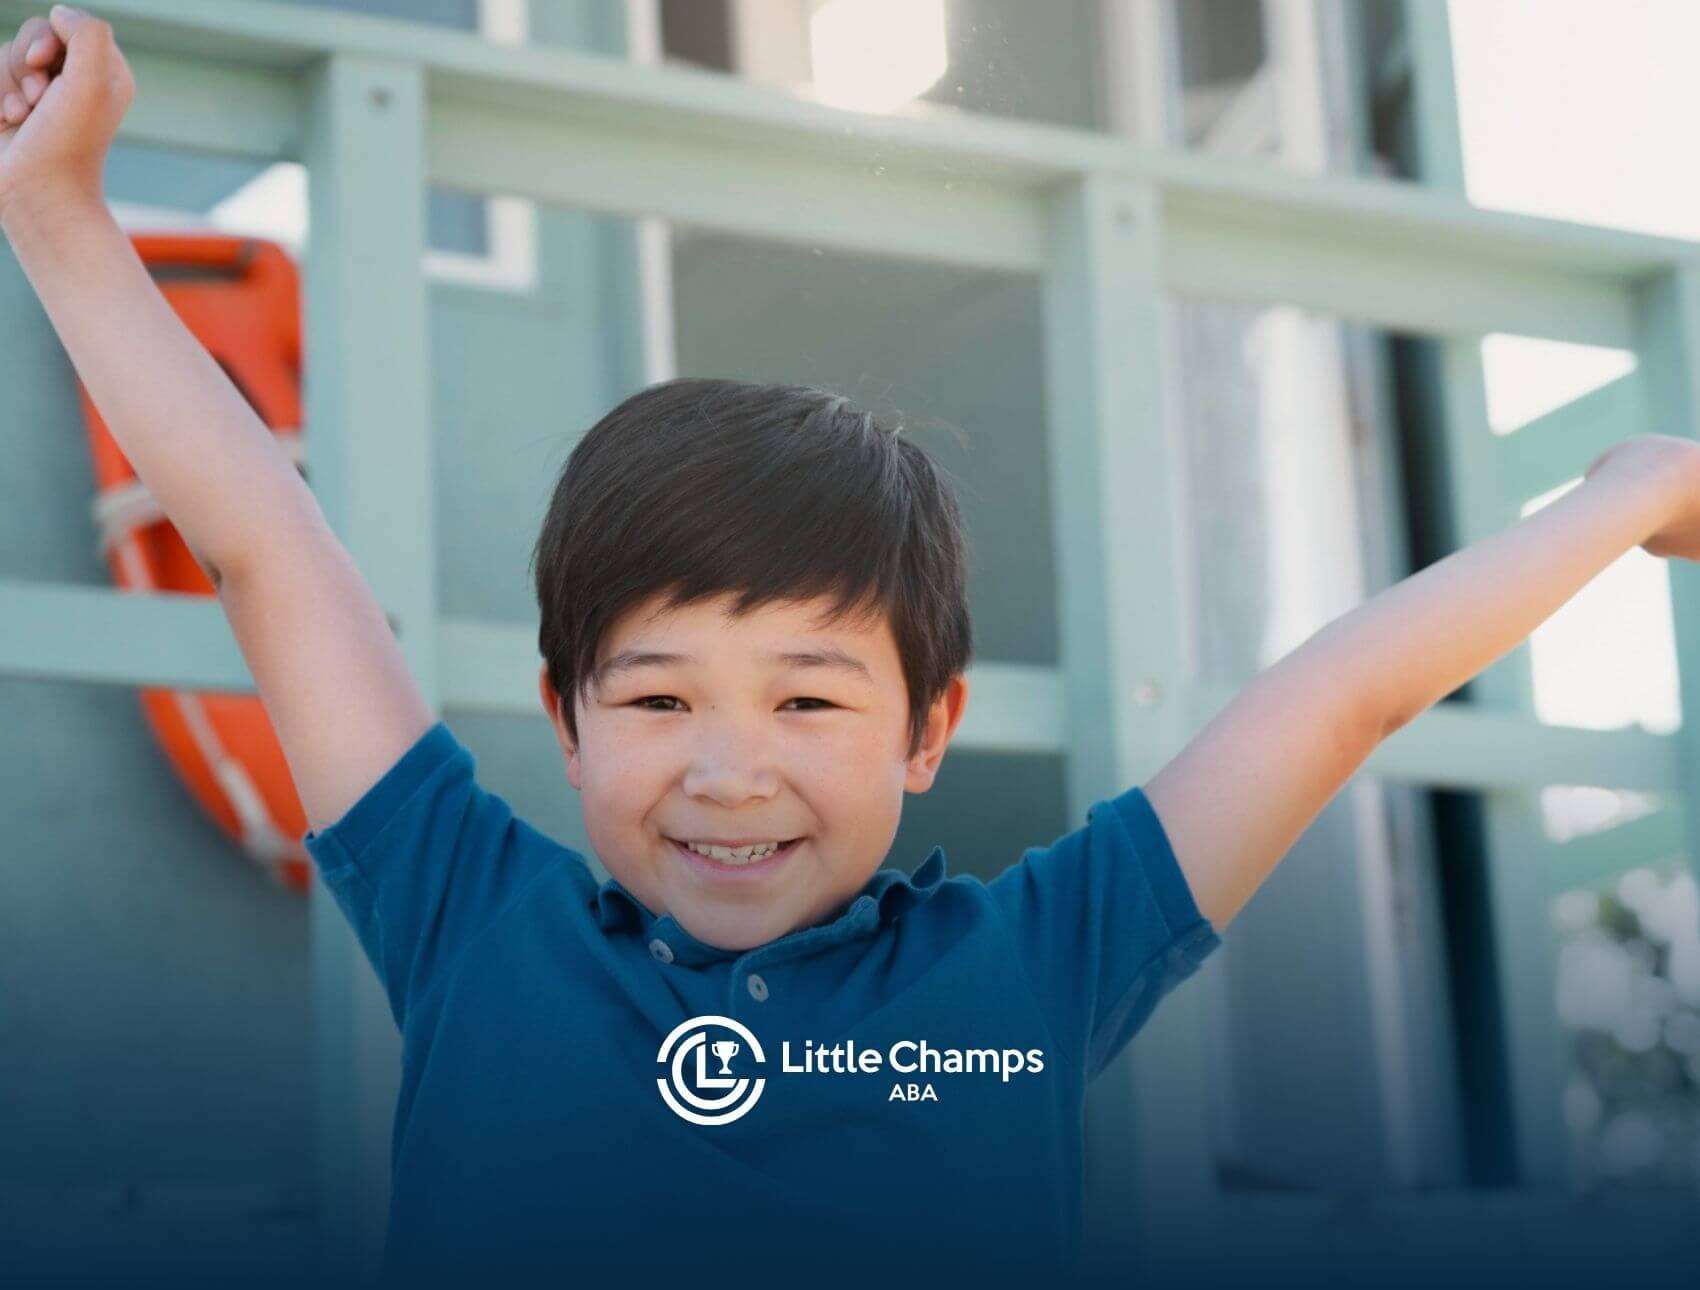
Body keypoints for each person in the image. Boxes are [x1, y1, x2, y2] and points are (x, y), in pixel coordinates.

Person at [5, 8, 1700, 1288]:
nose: (730, 765)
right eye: (661, 694)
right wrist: (66, 213)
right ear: (564, 718)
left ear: (926, 726)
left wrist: (1621, 500)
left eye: (809, 696)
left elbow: (1342, 695)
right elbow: (260, 550)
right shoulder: (468, 911)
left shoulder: (1036, 959)